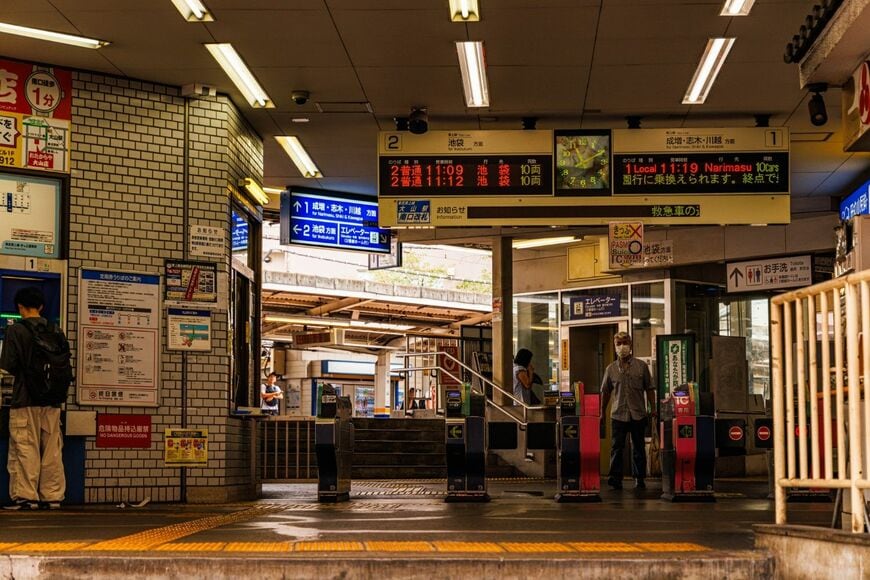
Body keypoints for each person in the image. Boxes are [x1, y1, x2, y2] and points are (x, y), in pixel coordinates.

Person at [0, 287, 66, 510]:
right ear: (41, 307)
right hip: (53, 400)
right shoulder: (56, 329)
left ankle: (27, 497)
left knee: (25, 446)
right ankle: (53, 496)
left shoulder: (16, 331)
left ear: (20, 307)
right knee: (52, 449)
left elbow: (8, 365)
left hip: (25, 399)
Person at [600, 331, 656, 490]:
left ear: (630, 345)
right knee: (616, 447)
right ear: (614, 346)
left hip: (638, 413)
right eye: (618, 343)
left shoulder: (641, 366)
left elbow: (650, 389)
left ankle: (639, 478)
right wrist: (602, 412)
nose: (622, 346)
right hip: (618, 414)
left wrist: (653, 408)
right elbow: (605, 392)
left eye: (625, 342)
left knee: (638, 447)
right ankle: (615, 478)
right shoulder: (610, 369)